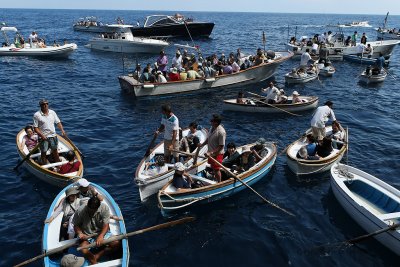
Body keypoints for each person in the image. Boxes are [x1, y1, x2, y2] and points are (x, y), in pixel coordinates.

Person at [73, 196, 121, 265]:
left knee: (116, 244)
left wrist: (101, 236)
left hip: (101, 232)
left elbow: (106, 225)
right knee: (83, 249)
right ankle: (94, 261)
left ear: (98, 207)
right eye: (89, 210)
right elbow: (76, 225)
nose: (91, 212)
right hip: (86, 235)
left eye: (94, 210)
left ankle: (97, 256)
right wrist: (80, 233)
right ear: (87, 206)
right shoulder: (80, 211)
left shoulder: (104, 208)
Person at [33, 99, 66, 164]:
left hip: (53, 136)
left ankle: (58, 164)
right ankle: (45, 164)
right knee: (44, 152)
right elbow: (35, 128)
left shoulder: (52, 112)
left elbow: (58, 122)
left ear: (48, 104)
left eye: (46, 104)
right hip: (43, 138)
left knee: (55, 151)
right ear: (40, 106)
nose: (45, 105)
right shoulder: (36, 115)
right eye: (43, 104)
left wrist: (62, 130)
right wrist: (42, 136)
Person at [199, 114, 226, 183]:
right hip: (210, 153)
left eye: (212, 120)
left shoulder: (221, 132)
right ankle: (215, 177)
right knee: (213, 167)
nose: (210, 121)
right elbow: (208, 139)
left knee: (217, 169)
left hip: (217, 154)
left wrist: (212, 153)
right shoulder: (212, 127)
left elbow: (221, 146)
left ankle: (219, 182)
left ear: (216, 122)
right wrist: (202, 144)